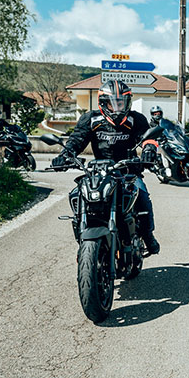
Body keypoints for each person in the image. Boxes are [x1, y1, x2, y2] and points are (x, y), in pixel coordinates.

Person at [51, 80, 160, 254]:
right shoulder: (91, 119)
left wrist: (149, 150)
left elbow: (147, 138)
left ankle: (148, 235)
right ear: (103, 103)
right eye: (112, 103)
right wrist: (64, 156)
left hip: (128, 171)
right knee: (79, 195)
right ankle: (84, 234)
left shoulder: (136, 119)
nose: (117, 108)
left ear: (128, 102)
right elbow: (77, 140)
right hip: (99, 172)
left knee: (142, 197)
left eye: (121, 103)